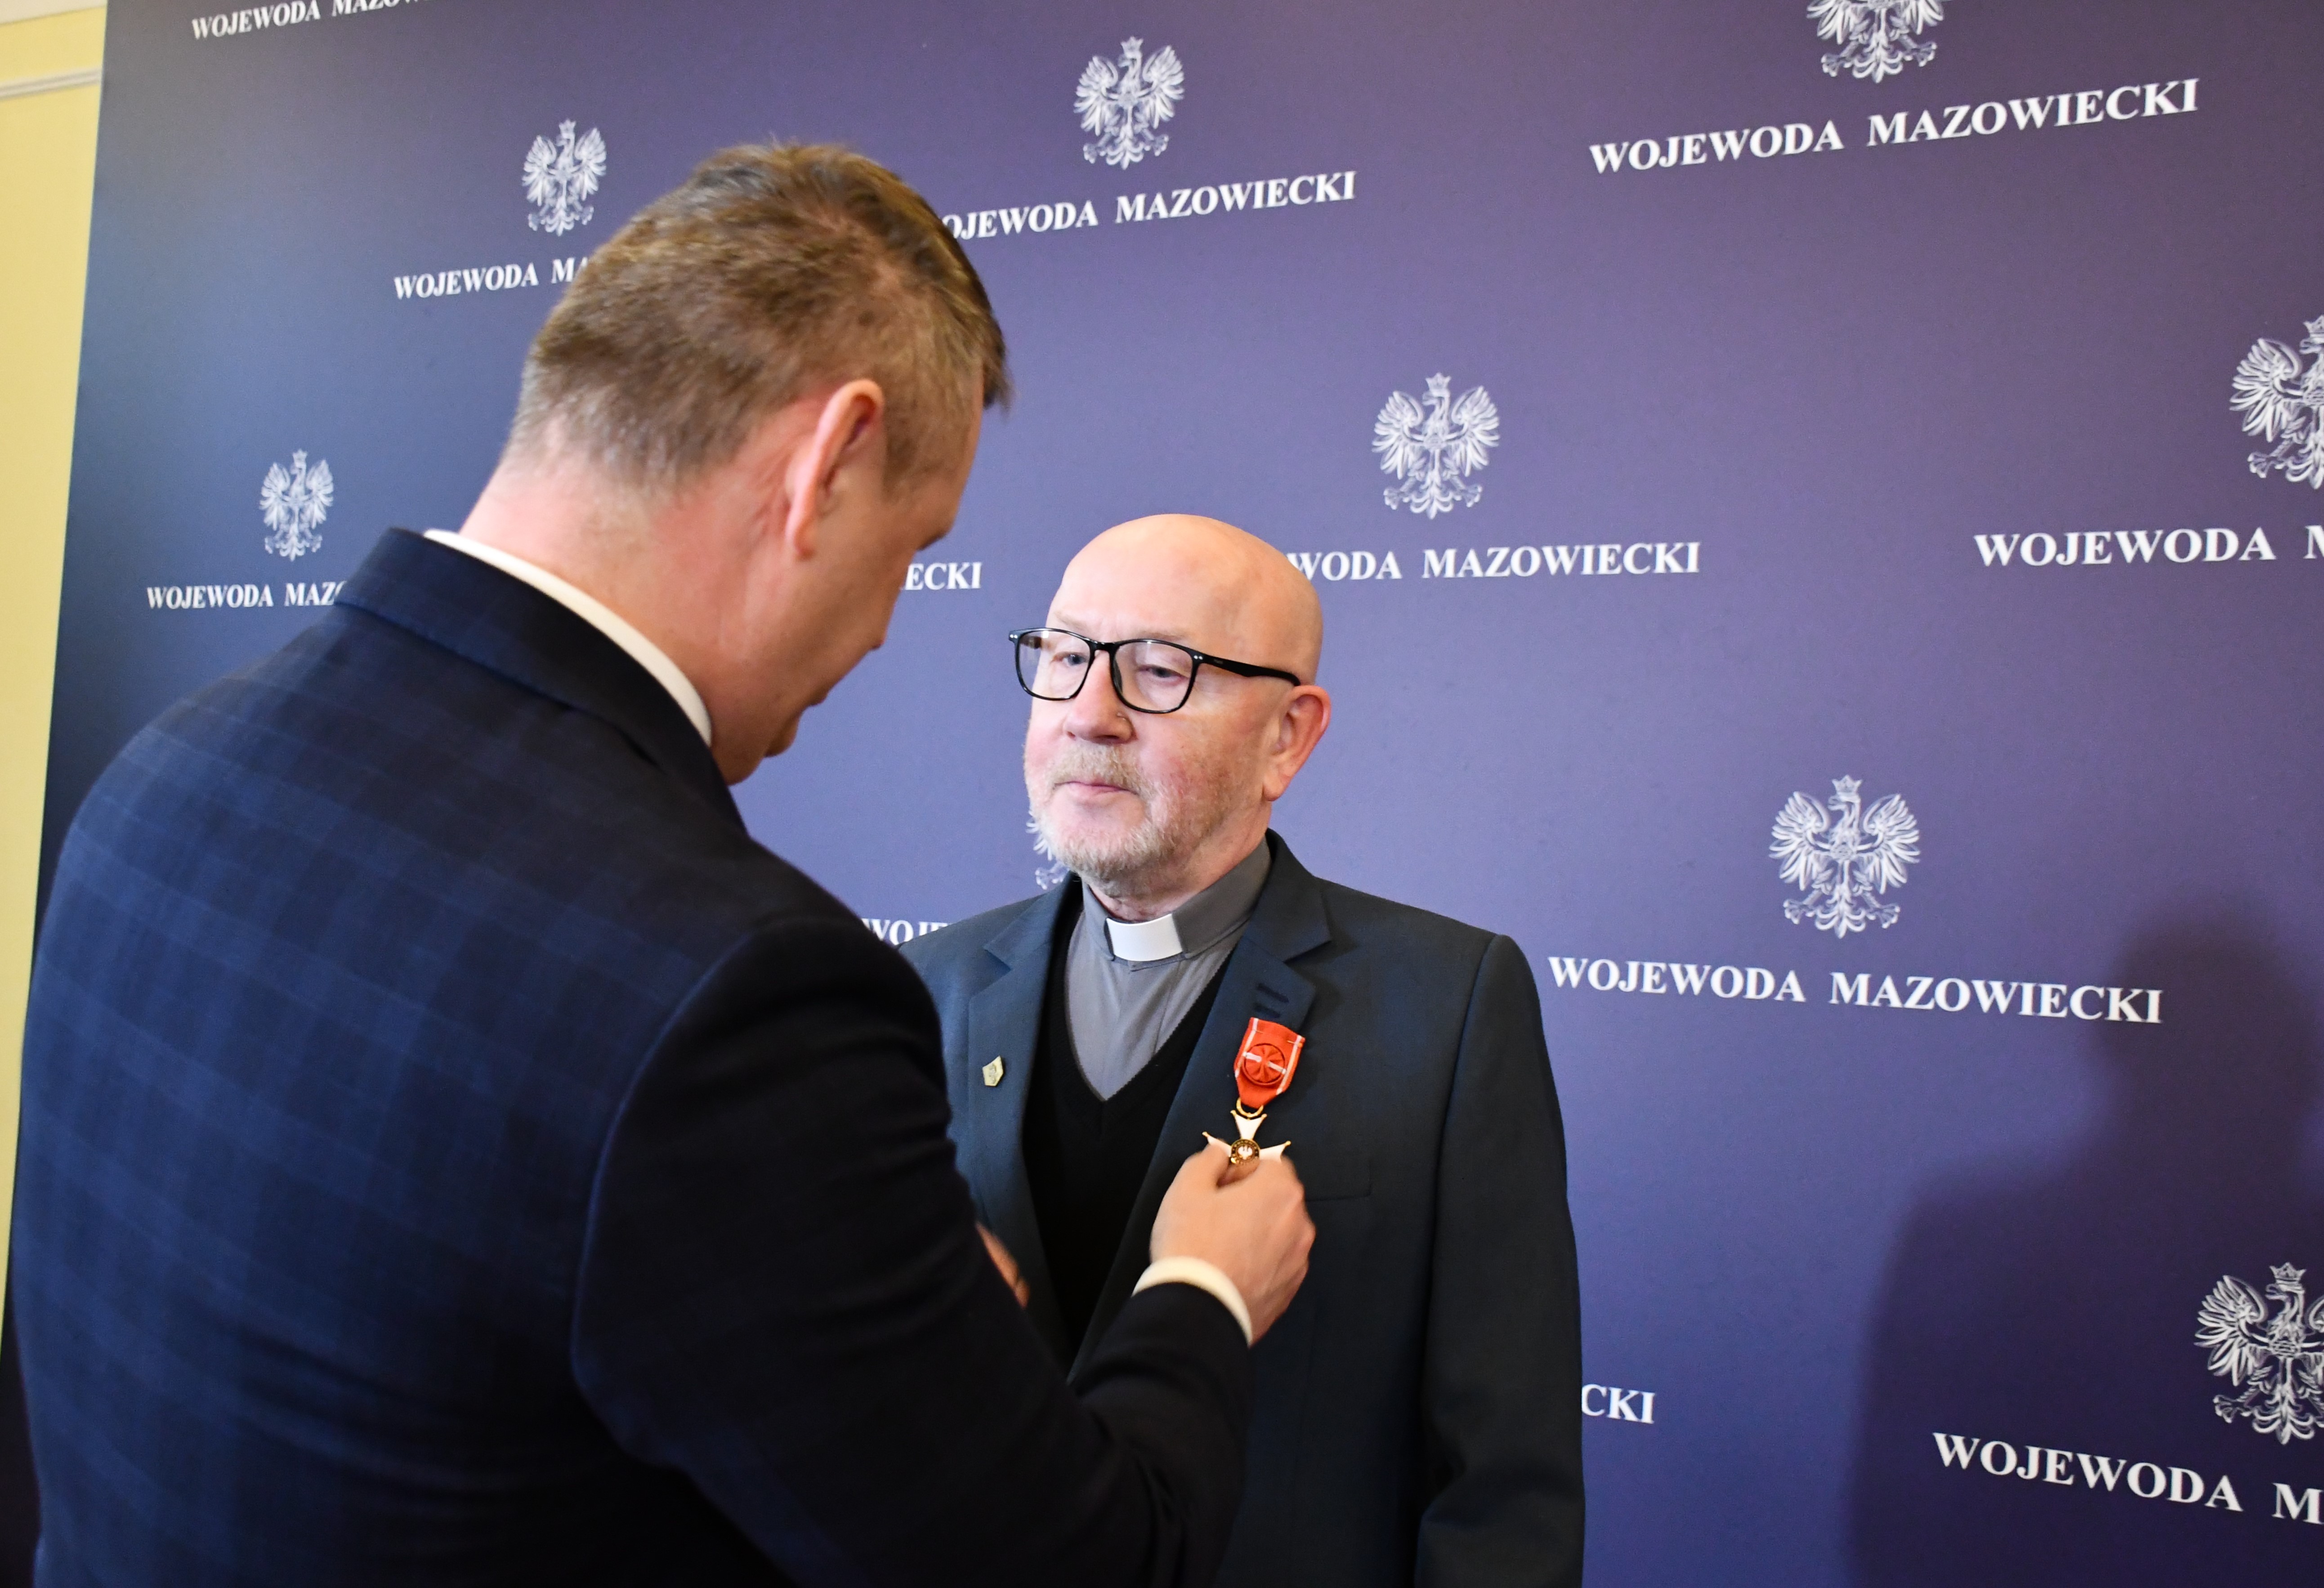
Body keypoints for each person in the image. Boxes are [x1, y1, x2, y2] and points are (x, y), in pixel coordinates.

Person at [12, 145, 1314, 1586]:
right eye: (912, 547)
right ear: (829, 466)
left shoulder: (159, 773)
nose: (887, 626)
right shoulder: (733, 993)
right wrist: (1201, 1291)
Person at [899, 515, 1586, 1588]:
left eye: (1159, 670)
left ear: (1287, 737)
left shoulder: (1446, 1005)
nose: (1090, 712)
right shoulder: (924, 989)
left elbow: (1500, 1488)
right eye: (1066, 656)